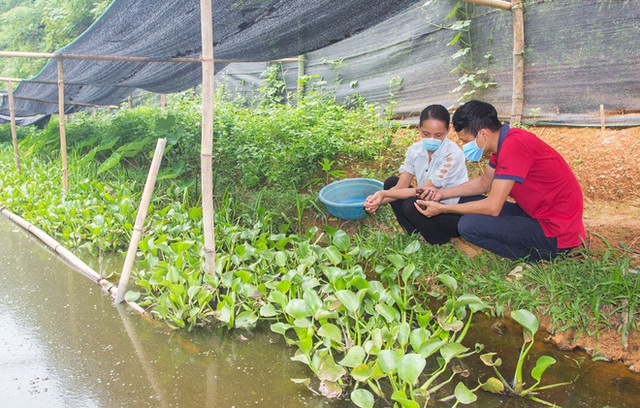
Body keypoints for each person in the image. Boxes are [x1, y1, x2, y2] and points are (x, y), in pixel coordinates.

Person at [415, 100, 586, 262]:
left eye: (466, 141)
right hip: (533, 214)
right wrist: (442, 194)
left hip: (555, 232)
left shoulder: (514, 146)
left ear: (483, 134)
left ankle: (536, 258)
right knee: (465, 201)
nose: (465, 147)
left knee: (469, 225)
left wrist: (443, 209)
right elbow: (483, 183)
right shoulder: (504, 143)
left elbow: (493, 207)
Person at [364, 104, 479, 245]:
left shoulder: (452, 154)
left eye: (438, 135)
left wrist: (383, 195)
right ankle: (415, 232)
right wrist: (378, 200)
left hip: (448, 212)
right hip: (426, 203)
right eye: (426, 133)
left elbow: (423, 191)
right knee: (391, 183)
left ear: (447, 131)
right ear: (419, 128)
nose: (432, 138)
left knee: (411, 203)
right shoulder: (415, 150)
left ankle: (439, 239)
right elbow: (400, 187)